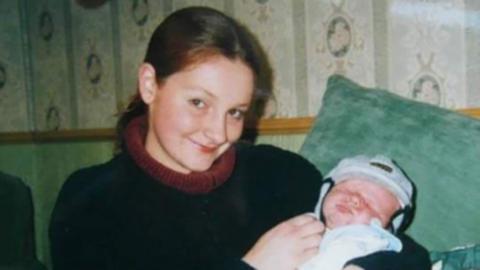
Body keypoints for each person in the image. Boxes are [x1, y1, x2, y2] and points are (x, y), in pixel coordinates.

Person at [49, 6, 428, 270]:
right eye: (198, 102)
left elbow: (407, 253)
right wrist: (253, 267)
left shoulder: (279, 174)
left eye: (235, 112)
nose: (218, 132)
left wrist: (358, 266)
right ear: (150, 84)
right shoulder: (90, 201)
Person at [300, 155, 431, 270]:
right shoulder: (297, 224)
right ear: (325, 192)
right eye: (346, 189)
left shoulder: (381, 243)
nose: (354, 199)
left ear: (387, 226)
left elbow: (418, 259)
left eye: (370, 203)